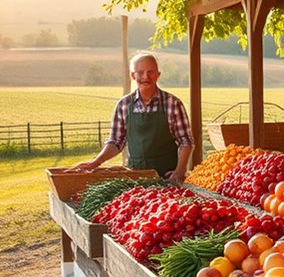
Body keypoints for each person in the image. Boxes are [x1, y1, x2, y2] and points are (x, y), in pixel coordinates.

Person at [73, 52, 194, 182]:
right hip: (135, 178)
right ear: (132, 75)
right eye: (140, 72)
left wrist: (179, 171)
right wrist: (95, 162)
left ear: (158, 75)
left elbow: (185, 141)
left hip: (168, 178)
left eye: (150, 72)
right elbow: (115, 141)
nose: (145, 77)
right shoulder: (123, 105)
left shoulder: (173, 103)